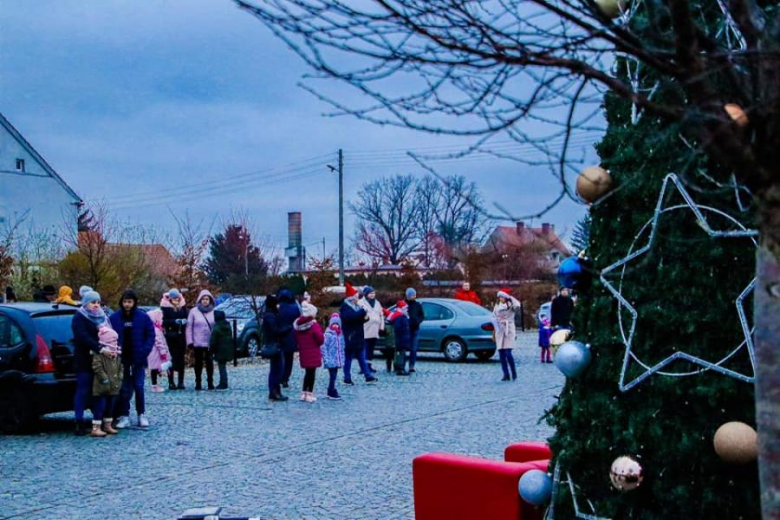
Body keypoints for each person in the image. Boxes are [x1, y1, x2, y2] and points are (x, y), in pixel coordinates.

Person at [111, 289, 155, 428]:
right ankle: (124, 415)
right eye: (125, 301)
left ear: (134, 302)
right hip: (121, 359)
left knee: (139, 387)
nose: (127, 304)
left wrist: (144, 351)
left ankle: (141, 414)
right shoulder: (115, 317)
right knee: (124, 389)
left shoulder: (143, 317)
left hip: (138, 358)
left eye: (129, 302)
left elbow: (150, 335)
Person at [71, 290, 111, 436]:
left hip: (101, 360)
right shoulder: (79, 317)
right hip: (84, 359)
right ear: (86, 303)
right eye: (93, 302)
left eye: (98, 302)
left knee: (100, 390)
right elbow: (82, 336)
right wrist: (99, 347)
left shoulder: (102, 317)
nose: (96, 305)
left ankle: (98, 423)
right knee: (83, 390)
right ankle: (79, 421)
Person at [91, 320, 123, 437]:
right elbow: (97, 367)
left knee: (110, 406)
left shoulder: (116, 354)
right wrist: (104, 378)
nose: (115, 342)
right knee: (100, 406)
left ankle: (108, 425)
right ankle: (96, 427)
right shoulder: (99, 354)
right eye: (113, 340)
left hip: (114, 385)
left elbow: (121, 367)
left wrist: (120, 377)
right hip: (102, 386)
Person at [340, 283, 377, 385]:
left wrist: (366, 318)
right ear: (351, 297)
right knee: (349, 358)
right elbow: (350, 317)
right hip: (350, 336)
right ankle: (347, 377)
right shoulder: (345, 307)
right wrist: (362, 312)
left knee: (361, 357)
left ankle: (368, 375)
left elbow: (359, 319)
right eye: (356, 296)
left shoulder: (356, 306)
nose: (358, 298)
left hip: (358, 336)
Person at [262, 294, 292, 401]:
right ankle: (274, 392)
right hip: (275, 344)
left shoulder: (271, 314)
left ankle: (275, 391)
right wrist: (287, 329)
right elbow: (275, 331)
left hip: (276, 344)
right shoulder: (270, 315)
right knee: (277, 369)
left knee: (276, 369)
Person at [186, 289, 217, 391]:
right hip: (197, 341)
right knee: (198, 363)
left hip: (209, 342)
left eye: (207, 299)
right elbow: (189, 327)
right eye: (203, 299)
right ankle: (198, 382)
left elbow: (216, 327)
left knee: (209, 363)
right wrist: (189, 341)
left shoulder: (214, 311)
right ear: (200, 300)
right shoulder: (193, 312)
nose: (205, 301)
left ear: (210, 300)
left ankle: (210, 382)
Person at [294, 301, 324, 402]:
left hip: (304, 352)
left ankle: (303, 393)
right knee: (311, 374)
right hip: (313, 352)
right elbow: (320, 339)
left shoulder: (298, 325)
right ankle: (309, 394)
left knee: (307, 373)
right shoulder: (314, 325)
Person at [161, 289, 188, 390]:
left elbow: (186, 316)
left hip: (181, 336)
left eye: (177, 298)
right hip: (170, 336)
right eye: (174, 298)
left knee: (181, 359)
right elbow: (162, 321)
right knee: (170, 359)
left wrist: (184, 321)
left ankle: (181, 382)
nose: (176, 300)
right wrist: (174, 321)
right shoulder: (165, 307)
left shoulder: (183, 306)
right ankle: (171, 382)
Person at [493, 288, 519, 381]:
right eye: (500, 297)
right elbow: (494, 316)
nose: (501, 298)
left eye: (503, 297)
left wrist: (510, 297)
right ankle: (505, 374)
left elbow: (517, 305)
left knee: (508, 353)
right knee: (501, 353)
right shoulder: (496, 306)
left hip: (509, 329)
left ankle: (513, 372)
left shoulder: (511, 305)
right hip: (500, 329)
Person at [277, 289, 301, 389]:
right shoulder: (295, 308)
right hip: (291, 335)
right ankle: (285, 379)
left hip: (280, 335)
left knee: (280, 358)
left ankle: (279, 377)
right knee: (289, 359)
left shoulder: (278, 308)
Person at [359, 286, 384, 372]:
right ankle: (364, 367)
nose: (372, 295)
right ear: (366, 294)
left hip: (374, 329)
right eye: (370, 293)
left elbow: (381, 315)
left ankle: (369, 365)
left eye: (373, 293)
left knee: (371, 349)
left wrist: (381, 327)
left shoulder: (377, 303)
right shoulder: (361, 303)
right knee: (365, 348)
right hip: (365, 329)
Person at [146, 309, 172, 392]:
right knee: (155, 368)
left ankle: (155, 384)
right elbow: (159, 342)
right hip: (156, 353)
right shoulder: (156, 330)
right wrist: (163, 353)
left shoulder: (153, 328)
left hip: (153, 352)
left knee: (155, 368)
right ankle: (155, 386)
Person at [321, 313, 345, 400]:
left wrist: (342, 358)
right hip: (331, 360)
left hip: (337, 360)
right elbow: (323, 347)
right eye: (333, 324)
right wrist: (326, 359)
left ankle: (331, 389)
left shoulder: (341, 335)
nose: (335, 326)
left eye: (337, 324)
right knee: (333, 376)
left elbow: (342, 348)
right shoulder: (328, 335)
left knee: (334, 376)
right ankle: (331, 390)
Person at [209, 310, 233, 390]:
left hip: (219, 350)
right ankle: (224, 382)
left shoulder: (216, 328)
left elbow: (213, 341)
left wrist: (211, 351)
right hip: (227, 349)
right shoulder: (228, 326)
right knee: (223, 366)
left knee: (221, 367)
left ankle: (223, 383)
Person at [387, 301, 411, 376]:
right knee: (401, 354)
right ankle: (400, 369)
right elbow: (397, 328)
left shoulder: (402, 316)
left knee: (402, 353)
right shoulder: (399, 317)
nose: (406, 310)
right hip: (401, 338)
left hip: (403, 338)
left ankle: (401, 368)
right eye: (405, 308)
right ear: (401, 308)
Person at [405, 288, 424, 373]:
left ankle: (411, 366)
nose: (413, 296)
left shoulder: (418, 305)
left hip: (415, 329)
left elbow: (422, 315)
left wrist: (418, 321)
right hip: (405, 329)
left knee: (413, 349)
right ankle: (401, 364)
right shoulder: (404, 304)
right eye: (412, 295)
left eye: (414, 295)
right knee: (403, 348)